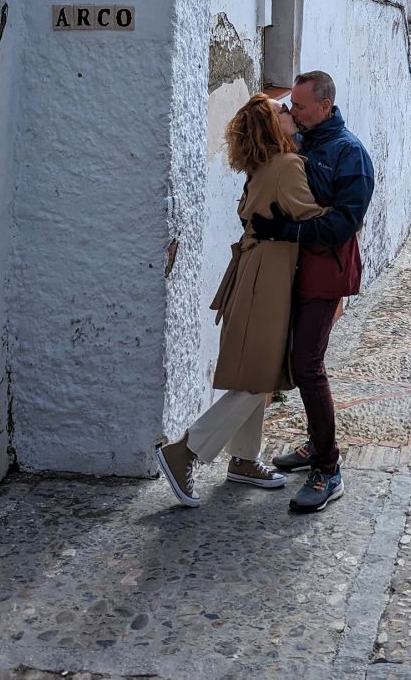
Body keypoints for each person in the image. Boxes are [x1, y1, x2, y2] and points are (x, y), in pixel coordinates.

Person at [156, 93, 324, 509]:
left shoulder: (263, 167)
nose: (288, 113)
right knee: (259, 378)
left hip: (257, 272)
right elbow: (315, 220)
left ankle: (245, 459)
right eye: (280, 111)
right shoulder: (287, 166)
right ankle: (185, 453)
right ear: (271, 126)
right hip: (266, 279)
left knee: (257, 372)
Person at [251, 70, 374, 515]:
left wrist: (286, 229)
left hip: (322, 274)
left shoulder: (349, 154)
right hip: (289, 270)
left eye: (299, 106)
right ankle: (313, 447)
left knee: (307, 364)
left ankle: (329, 469)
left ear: (324, 105)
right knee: (289, 359)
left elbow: (344, 224)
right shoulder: (300, 140)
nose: (292, 110)